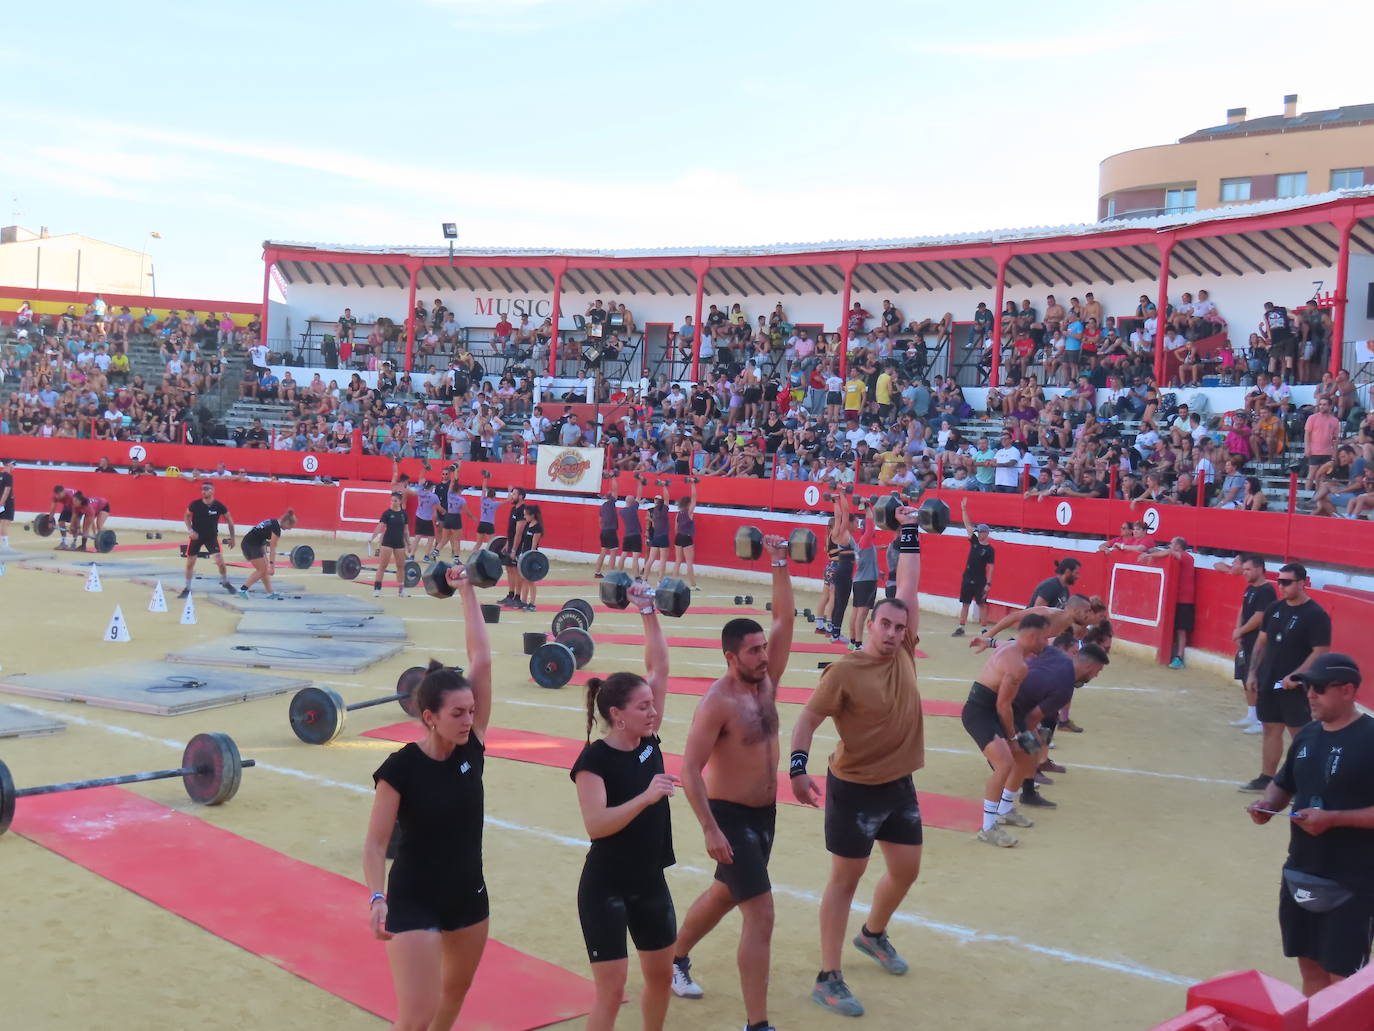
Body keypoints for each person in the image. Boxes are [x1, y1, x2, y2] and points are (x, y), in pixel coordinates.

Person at [788, 501, 930, 1017]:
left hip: (898, 785)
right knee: (844, 881)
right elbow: (805, 721)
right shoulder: (844, 672)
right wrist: (798, 769)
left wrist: (910, 528)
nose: (893, 633)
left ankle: (872, 935)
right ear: (870, 624)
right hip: (852, 790)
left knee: (906, 870)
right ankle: (828, 977)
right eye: (886, 625)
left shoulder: (907, 648)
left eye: (900, 626)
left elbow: (909, 584)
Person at [669, 535, 795, 1029]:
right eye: (754, 651)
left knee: (725, 894)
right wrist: (709, 829)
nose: (764, 656)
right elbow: (687, 770)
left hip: (765, 815)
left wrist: (779, 562)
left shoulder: (767, 681)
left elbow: (784, 619)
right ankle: (757, 1024)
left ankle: (674, 958)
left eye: (764, 648)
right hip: (731, 818)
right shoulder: (717, 702)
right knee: (760, 913)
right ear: (730, 656)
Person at [364, 564, 492, 1031]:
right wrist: (378, 897)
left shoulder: (472, 746)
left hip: (468, 896)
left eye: (471, 711)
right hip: (413, 899)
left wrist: (466, 590)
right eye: (457, 713)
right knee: (416, 1016)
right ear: (429, 716)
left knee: (454, 996)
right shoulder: (400, 769)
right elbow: (376, 845)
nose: (467, 719)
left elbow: (482, 661)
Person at [571, 582, 676, 1031]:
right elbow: (595, 825)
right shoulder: (593, 760)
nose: (653, 712)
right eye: (643, 707)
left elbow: (661, 666)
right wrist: (646, 797)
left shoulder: (649, 741)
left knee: (660, 980)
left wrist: (647, 610)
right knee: (612, 994)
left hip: (650, 882)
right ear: (617, 714)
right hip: (605, 889)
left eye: (653, 705)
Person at [1246, 654, 1374, 996]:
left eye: (1319, 688)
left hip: (1352, 882)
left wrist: (1334, 819)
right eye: (1307, 687)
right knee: (1311, 973)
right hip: (1301, 872)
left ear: (1348, 691)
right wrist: (1267, 804)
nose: (1310, 695)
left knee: (1344, 986)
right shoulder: (1308, 735)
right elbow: (1285, 783)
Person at [961, 613, 1053, 847]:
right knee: (1005, 764)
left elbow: (1002, 643)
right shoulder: (1018, 666)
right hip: (980, 713)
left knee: (1029, 752)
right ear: (1032, 636)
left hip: (993, 710)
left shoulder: (1013, 646)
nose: (1046, 642)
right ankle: (988, 827)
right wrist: (1012, 736)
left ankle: (1005, 808)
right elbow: (1003, 706)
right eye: (1044, 638)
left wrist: (988, 641)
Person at [1241, 563, 1333, 793]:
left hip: (1297, 687)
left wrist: (1298, 674)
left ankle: (1306, 785)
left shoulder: (1316, 614)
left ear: (1302, 582)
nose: (1281, 586)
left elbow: (1320, 650)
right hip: (1269, 680)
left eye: (1287, 582)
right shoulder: (1274, 608)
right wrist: (1252, 673)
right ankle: (1267, 777)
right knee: (1271, 729)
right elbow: (1261, 642)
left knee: (1301, 736)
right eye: (1279, 581)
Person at [1012, 635, 1111, 809]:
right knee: (1020, 751)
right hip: (1004, 707)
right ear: (1089, 666)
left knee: (1031, 745)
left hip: (1011, 700)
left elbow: (1026, 645)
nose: (1096, 675)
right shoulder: (1065, 687)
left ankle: (1027, 791)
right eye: (1098, 670)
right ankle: (1009, 799)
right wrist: (1025, 739)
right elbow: (1031, 719)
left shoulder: (1060, 656)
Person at [1216, 554, 1277, 734]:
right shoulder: (1250, 589)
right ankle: (1252, 715)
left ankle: (1261, 719)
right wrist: (1238, 630)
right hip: (1247, 640)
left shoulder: (1266, 591)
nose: (1245, 573)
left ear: (1259, 569)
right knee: (1246, 678)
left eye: (1248, 569)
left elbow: (1260, 617)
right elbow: (1243, 609)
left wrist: (1240, 631)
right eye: (1244, 569)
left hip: (1259, 642)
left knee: (1256, 679)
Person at [1142, 536, 1195, 669]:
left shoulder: (1187, 557)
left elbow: (1169, 552)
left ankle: (1180, 657)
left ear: (1178, 546)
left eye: (1172, 544)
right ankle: (1175, 654)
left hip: (1185, 599)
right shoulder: (1179, 556)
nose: (1170, 546)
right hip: (1176, 597)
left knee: (1181, 629)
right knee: (1176, 627)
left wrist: (1150, 555)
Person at [181, 481, 237, 598]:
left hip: (211, 537)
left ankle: (225, 582)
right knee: (190, 563)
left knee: (220, 562)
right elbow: (186, 516)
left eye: (206, 489)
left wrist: (232, 538)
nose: (203, 491)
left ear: (213, 491)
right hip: (197, 536)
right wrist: (190, 530)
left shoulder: (219, 506)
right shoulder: (195, 504)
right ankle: (187, 587)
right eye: (202, 489)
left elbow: (230, 522)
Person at [953, 498, 995, 637]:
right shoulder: (974, 541)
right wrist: (964, 509)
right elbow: (967, 525)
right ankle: (961, 627)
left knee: (982, 604)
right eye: (978, 532)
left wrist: (988, 583)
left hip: (980, 579)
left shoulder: (989, 549)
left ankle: (984, 629)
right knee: (965, 603)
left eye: (981, 532)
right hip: (968, 577)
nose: (978, 533)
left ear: (986, 533)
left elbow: (991, 567)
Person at [239, 509, 296, 598]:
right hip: (250, 545)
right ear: (287, 522)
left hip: (250, 544)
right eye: (290, 526)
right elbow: (273, 549)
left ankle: (270, 593)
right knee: (262, 570)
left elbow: (262, 542)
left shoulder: (271, 522)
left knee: (264, 569)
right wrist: (272, 566)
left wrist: (266, 561)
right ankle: (243, 589)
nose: (289, 529)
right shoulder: (276, 528)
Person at [825, 492, 857, 646]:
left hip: (842, 571)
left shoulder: (836, 533)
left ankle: (834, 633)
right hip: (844, 572)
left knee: (838, 603)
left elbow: (839, 515)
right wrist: (842, 495)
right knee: (841, 604)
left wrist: (835, 500)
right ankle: (836, 634)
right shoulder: (841, 533)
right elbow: (844, 514)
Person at [846, 503, 879, 650]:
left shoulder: (864, 543)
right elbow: (871, 524)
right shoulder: (865, 541)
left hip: (861, 580)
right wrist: (867, 508)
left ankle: (853, 641)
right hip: (866, 582)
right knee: (862, 613)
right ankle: (858, 643)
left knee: (856, 612)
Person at [370, 493, 412, 599]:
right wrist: (372, 538)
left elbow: (406, 531)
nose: (393, 503)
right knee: (382, 566)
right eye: (391, 501)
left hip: (399, 543)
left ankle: (401, 590)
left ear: (400, 502)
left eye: (395, 501)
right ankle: (377, 589)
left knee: (401, 567)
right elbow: (380, 526)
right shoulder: (387, 513)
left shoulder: (404, 514)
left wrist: (409, 543)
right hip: (387, 542)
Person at [497, 487, 528, 610]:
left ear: (520, 496)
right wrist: (508, 544)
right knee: (509, 569)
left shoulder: (523, 510)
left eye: (514, 494)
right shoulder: (513, 509)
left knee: (516, 570)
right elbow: (511, 530)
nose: (512, 496)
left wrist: (514, 549)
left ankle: (518, 597)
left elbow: (519, 532)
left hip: (519, 545)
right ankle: (510, 595)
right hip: (511, 543)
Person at [512, 503, 544, 611]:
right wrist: (520, 554)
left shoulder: (537, 527)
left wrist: (529, 558)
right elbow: (524, 541)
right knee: (524, 579)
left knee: (530, 580)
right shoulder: (527, 524)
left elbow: (534, 546)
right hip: (524, 555)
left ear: (532, 515)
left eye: (526, 515)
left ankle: (532, 603)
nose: (524, 517)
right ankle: (523, 601)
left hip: (531, 556)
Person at [433, 465, 469, 562]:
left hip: (449, 512)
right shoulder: (438, 486)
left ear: (449, 475)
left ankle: (452, 552)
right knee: (440, 532)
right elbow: (435, 500)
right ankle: (436, 551)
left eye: (446, 474)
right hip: (442, 511)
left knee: (451, 534)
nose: (444, 476)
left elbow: (456, 479)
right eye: (443, 474)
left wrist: (456, 469)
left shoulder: (451, 485)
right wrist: (436, 512)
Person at [669, 479, 698, 589]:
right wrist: (693, 484)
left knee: (678, 561)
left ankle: (673, 582)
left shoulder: (679, 513)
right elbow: (694, 498)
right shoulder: (689, 512)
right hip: (686, 537)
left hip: (679, 537)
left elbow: (676, 528)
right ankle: (693, 585)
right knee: (689, 562)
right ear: (688, 504)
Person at [618, 477, 646, 578]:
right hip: (635, 535)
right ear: (633, 502)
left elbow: (637, 498)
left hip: (627, 535)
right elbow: (639, 495)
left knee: (623, 555)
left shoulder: (622, 511)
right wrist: (640, 483)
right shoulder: (633, 508)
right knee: (635, 557)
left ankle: (618, 574)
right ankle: (637, 576)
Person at [594, 486, 622, 578]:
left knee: (603, 552)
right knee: (613, 553)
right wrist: (613, 477)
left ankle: (597, 572)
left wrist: (603, 528)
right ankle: (610, 575)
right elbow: (615, 490)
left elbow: (600, 521)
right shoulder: (611, 503)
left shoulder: (603, 506)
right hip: (611, 531)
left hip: (604, 531)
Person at [644, 493, 672, 583]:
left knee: (651, 559)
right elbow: (667, 499)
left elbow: (654, 526)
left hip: (656, 536)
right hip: (663, 536)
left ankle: (645, 579)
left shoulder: (654, 511)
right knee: (663, 560)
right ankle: (660, 581)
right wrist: (664, 487)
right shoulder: (664, 510)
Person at [473, 482, 499, 552]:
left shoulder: (483, 500)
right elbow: (508, 500)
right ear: (494, 496)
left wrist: (485, 479)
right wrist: (509, 491)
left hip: (481, 523)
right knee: (491, 544)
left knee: (478, 544)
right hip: (489, 524)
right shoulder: (495, 503)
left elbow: (483, 489)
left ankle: (471, 557)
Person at [0, 458, 13, 550]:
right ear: (8, 465)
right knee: (5, 522)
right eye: (13, 464)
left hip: (1, 502)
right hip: (6, 503)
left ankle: (3, 544)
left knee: (2, 522)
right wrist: (2, 503)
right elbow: (7, 490)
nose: (14, 466)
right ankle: (5, 545)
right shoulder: (8, 476)